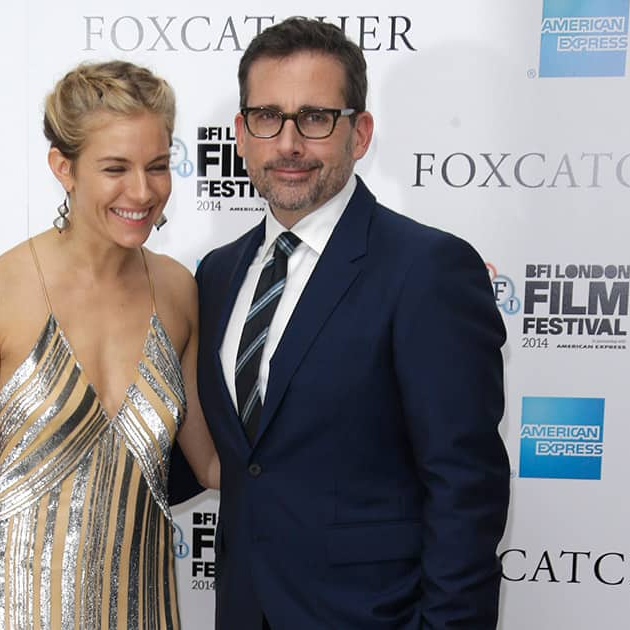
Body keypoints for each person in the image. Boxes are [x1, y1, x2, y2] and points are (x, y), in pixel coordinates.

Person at [192, 18, 510, 629]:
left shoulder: (428, 269)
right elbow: (233, 456)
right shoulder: (217, 274)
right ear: (241, 134)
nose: (287, 144)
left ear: (358, 133)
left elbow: (465, 488)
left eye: (314, 118)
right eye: (266, 117)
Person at [0, 60, 219, 630]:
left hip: (146, 608)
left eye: (158, 166)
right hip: (20, 610)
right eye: (116, 168)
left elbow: (212, 463)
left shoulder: (178, 290)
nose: (142, 191)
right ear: (64, 167)